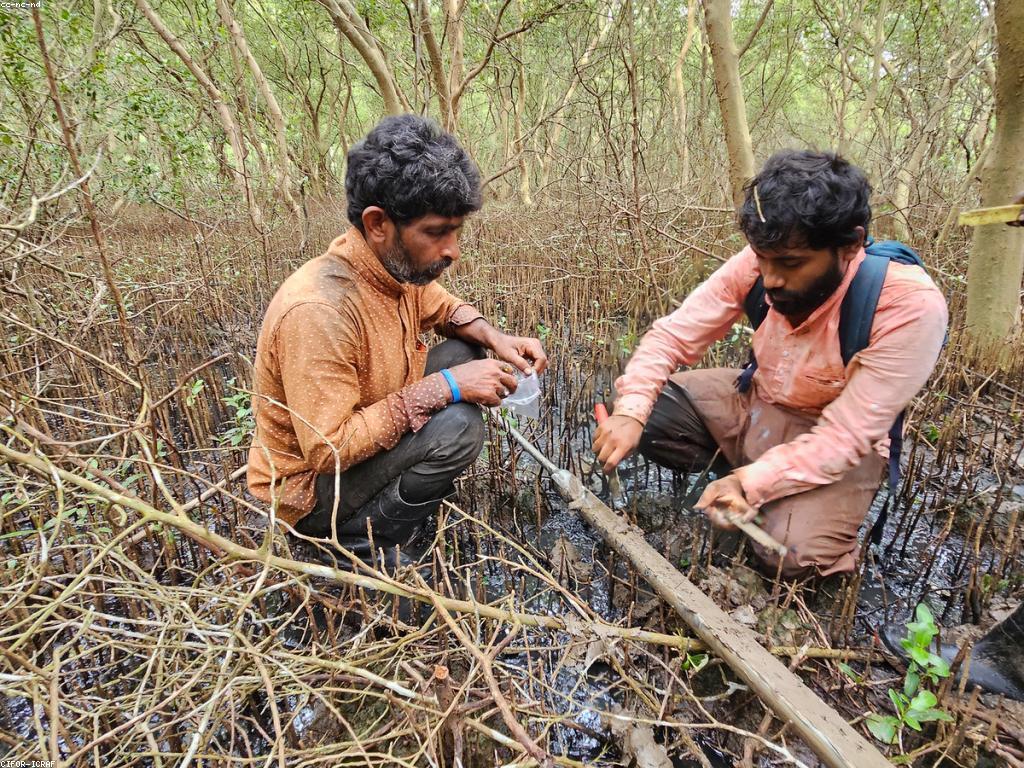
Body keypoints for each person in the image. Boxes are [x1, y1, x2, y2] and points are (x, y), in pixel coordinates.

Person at [593, 150, 947, 578]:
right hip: (758, 402)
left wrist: (750, 483)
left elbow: (845, 436)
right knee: (649, 411)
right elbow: (672, 336)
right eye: (762, 258)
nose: (771, 278)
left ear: (851, 245)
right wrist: (630, 411)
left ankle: (776, 495)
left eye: (791, 264)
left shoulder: (908, 306)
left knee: (792, 556)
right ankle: (748, 476)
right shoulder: (761, 261)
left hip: (837, 441)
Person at [247, 115, 547, 571]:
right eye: (436, 232)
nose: (452, 251)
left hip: (366, 424)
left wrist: (496, 337)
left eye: (456, 232)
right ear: (377, 223)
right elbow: (329, 450)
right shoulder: (318, 310)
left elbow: (441, 306)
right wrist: (448, 386)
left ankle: (385, 509)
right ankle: (354, 542)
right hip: (308, 492)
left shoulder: (391, 266)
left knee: (465, 351)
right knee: (459, 426)